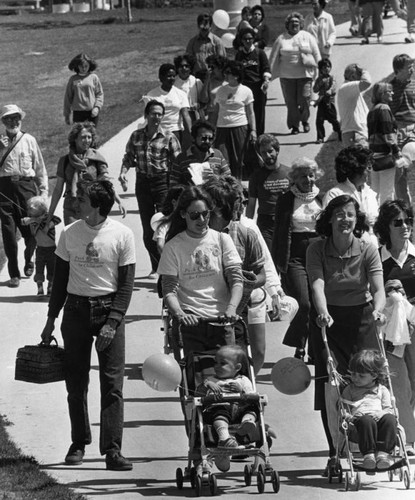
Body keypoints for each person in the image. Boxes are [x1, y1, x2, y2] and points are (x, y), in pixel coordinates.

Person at [40, 180, 136, 471]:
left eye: (81, 199)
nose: (75, 203)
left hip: (109, 311)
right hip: (76, 310)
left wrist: (113, 322)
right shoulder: (70, 232)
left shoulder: (122, 234)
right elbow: (59, 281)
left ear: (96, 205)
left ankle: (112, 450)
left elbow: (126, 285)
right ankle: (78, 442)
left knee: (112, 384)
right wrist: (50, 320)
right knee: (76, 382)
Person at [306, 195, 386, 475]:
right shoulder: (316, 249)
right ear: (329, 219)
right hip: (328, 321)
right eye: (339, 214)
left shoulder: (367, 248)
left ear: (357, 219)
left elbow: (378, 289)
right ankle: (335, 451)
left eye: (350, 214)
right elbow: (316, 284)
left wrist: (377, 311)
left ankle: (375, 447)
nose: (345, 219)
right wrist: (323, 312)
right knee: (333, 387)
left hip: (361, 319)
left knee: (369, 381)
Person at [157, 185, 243, 358]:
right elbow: (169, 291)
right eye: (195, 215)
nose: (202, 219)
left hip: (221, 321)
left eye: (206, 214)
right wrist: (180, 314)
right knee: (193, 376)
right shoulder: (173, 247)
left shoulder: (222, 240)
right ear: (183, 215)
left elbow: (236, 280)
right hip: (190, 325)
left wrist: (232, 308)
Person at [204, 175, 267, 374]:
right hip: (205, 313)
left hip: (238, 312)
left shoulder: (245, 234)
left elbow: (262, 275)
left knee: (243, 358)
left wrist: (246, 283)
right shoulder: (195, 236)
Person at [118, 100, 181, 276]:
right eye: (153, 113)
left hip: (163, 183)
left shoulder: (169, 136)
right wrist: (123, 173)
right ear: (146, 115)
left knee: (162, 224)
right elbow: (129, 157)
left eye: (160, 114)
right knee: (147, 229)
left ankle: (168, 265)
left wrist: (178, 186)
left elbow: (177, 163)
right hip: (143, 183)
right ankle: (157, 265)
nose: (157, 117)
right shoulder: (136, 136)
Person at [373, 199, 415, 454]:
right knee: (399, 385)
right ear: (385, 227)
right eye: (397, 222)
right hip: (390, 330)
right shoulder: (378, 258)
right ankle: (408, 439)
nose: (405, 227)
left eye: (408, 221)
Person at [272, 157, 323, 361]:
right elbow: (279, 233)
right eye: (303, 176)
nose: (308, 179)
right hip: (295, 257)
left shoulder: (322, 197)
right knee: (304, 303)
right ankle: (298, 342)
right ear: (294, 178)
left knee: (318, 302)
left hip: (318, 256)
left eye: (311, 175)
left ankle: (312, 350)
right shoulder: (286, 199)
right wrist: (278, 265)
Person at [0, 104, 48, 288]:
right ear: (3, 121)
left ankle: (29, 259)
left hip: (26, 188)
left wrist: (43, 192)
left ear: (21, 119)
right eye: (9, 118)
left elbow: (40, 168)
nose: (13, 121)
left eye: (16, 118)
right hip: (4, 189)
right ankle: (14, 274)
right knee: (9, 234)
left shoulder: (29, 140)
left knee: (31, 232)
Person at [48, 121, 125, 227]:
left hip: (92, 206)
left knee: (91, 240)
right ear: (75, 138)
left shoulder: (96, 158)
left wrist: (119, 200)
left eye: (89, 137)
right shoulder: (65, 161)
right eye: (83, 137)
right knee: (73, 238)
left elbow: (106, 182)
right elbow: (58, 189)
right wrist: (50, 213)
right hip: (72, 206)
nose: (87, 140)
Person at [196, 345, 257, 472]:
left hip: (238, 411)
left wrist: (242, 392)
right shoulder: (211, 380)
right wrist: (206, 385)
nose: (216, 366)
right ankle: (224, 438)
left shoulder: (243, 380)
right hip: (218, 410)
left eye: (222, 363)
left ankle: (247, 423)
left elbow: (251, 395)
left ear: (237, 367)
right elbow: (197, 395)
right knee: (219, 411)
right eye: (215, 362)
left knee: (253, 407)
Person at [342, 349, 397, 470]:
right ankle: (368, 455)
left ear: (374, 375)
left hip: (380, 421)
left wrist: (381, 413)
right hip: (359, 424)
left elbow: (389, 408)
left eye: (361, 376)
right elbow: (343, 409)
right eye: (353, 374)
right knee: (366, 420)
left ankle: (383, 453)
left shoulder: (382, 390)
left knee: (390, 419)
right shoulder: (350, 390)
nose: (355, 378)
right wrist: (350, 417)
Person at [269, 12, 321, 135]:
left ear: (301, 24)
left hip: (305, 75)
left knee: (304, 100)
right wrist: (267, 75)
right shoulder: (281, 39)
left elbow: (316, 53)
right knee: (291, 103)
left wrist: (322, 68)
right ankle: (295, 126)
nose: (294, 25)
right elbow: (273, 57)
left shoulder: (307, 36)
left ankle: (304, 121)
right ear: (287, 25)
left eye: (297, 23)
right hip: (287, 77)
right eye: (292, 23)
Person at [323, 145, 379, 244]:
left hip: (373, 248)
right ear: (357, 168)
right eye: (368, 167)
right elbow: (329, 227)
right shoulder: (335, 194)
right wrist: (362, 221)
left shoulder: (369, 193)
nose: (370, 170)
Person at [213, 60, 256, 180]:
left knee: (239, 160)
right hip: (222, 128)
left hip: (240, 127)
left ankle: (240, 186)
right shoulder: (220, 90)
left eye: (228, 72)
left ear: (236, 75)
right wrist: (212, 129)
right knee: (223, 159)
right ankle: (225, 185)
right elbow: (216, 111)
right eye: (224, 72)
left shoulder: (246, 91)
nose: (225, 75)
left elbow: (250, 112)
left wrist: (253, 130)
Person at [246, 134, 290, 251]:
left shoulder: (289, 173)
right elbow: (251, 204)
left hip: (286, 220)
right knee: (269, 257)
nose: (267, 155)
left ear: (277, 150)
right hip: (265, 222)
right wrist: (247, 226)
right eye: (263, 152)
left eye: (270, 151)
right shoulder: (256, 176)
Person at [367, 82, 403, 204]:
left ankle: (373, 218)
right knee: (387, 192)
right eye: (389, 91)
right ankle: (387, 219)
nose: (392, 93)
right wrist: (397, 152)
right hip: (385, 155)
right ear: (382, 94)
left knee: (375, 192)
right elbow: (388, 134)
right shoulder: (384, 108)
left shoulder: (372, 110)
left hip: (374, 156)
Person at [170, 119, 230, 186]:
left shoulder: (217, 155)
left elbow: (229, 178)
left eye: (210, 139)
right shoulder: (181, 159)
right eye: (203, 138)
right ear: (193, 138)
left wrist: (216, 178)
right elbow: (173, 183)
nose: (207, 141)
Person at [235, 27, 271, 137]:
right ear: (241, 40)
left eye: (250, 38)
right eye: (245, 39)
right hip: (244, 89)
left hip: (258, 88)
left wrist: (266, 81)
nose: (247, 41)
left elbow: (266, 68)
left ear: (253, 39)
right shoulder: (239, 55)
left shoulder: (260, 53)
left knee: (259, 115)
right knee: (245, 115)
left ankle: (259, 138)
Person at [21, 196, 60, 297]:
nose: (29, 210)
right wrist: (31, 220)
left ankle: (50, 288)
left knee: (52, 270)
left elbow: (57, 221)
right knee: (39, 269)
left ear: (41, 208)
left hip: (51, 249)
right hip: (40, 249)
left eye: (31, 208)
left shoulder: (48, 218)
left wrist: (39, 220)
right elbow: (24, 223)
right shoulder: (32, 220)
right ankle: (40, 288)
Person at [143, 64, 191, 145]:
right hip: (158, 132)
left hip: (176, 132)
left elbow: (185, 114)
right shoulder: (151, 94)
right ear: (161, 77)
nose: (172, 78)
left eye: (173, 76)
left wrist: (191, 132)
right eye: (169, 76)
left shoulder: (181, 94)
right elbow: (149, 116)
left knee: (176, 156)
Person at [64, 53, 104, 126]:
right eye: (81, 66)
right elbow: (68, 98)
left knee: (91, 135)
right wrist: (67, 115)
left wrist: (97, 107)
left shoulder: (94, 77)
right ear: (77, 66)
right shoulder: (73, 79)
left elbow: (99, 94)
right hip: (78, 114)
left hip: (92, 113)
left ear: (90, 65)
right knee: (78, 135)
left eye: (86, 66)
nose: (84, 68)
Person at [337, 63, 372, 148]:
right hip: (355, 133)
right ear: (352, 76)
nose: (361, 77)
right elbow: (367, 82)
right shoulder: (347, 87)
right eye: (359, 74)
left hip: (356, 132)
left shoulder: (349, 89)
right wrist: (364, 70)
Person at [186, 13, 226, 81]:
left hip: (213, 76)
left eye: (206, 25)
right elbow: (188, 60)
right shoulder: (192, 42)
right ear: (198, 26)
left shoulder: (217, 42)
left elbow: (221, 61)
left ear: (210, 26)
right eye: (202, 24)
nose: (204, 27)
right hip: (197, 76)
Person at [313, 58, 341, 144]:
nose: (326, 69)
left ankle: (340, 132)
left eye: (328, 67)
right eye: (324, 67)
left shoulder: (332, 78)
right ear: (321, 69)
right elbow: (315, 90)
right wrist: (320, 83)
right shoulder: (319, 79)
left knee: (333, 120)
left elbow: (334, 86)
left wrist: (329, 91)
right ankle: (320, 137)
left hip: (329, 102)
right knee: (319, 120)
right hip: (321, 102)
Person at [389, 54, 415, 144]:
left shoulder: (414, 84)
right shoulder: (389, 88)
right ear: (398, 70)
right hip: (400, 128)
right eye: (409, 67)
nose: (412, 70)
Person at [199, 55, 228, 122]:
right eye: (208, 67)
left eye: (212, 67)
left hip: (226, 114)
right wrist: (207, 80)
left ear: (220, 67)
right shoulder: (210, 81)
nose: (210, 69)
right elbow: (203, 100)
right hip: (212, 115)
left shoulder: (229, 81)